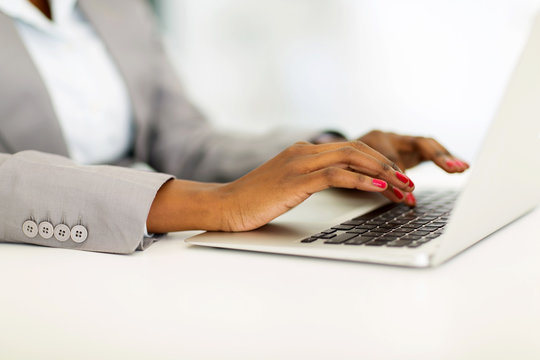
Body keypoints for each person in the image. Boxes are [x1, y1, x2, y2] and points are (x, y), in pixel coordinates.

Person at [0, 0, 468, 254]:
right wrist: (216, 203)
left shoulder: (117, 8)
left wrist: (324, 158)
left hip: (141, 258)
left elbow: (183, 139)